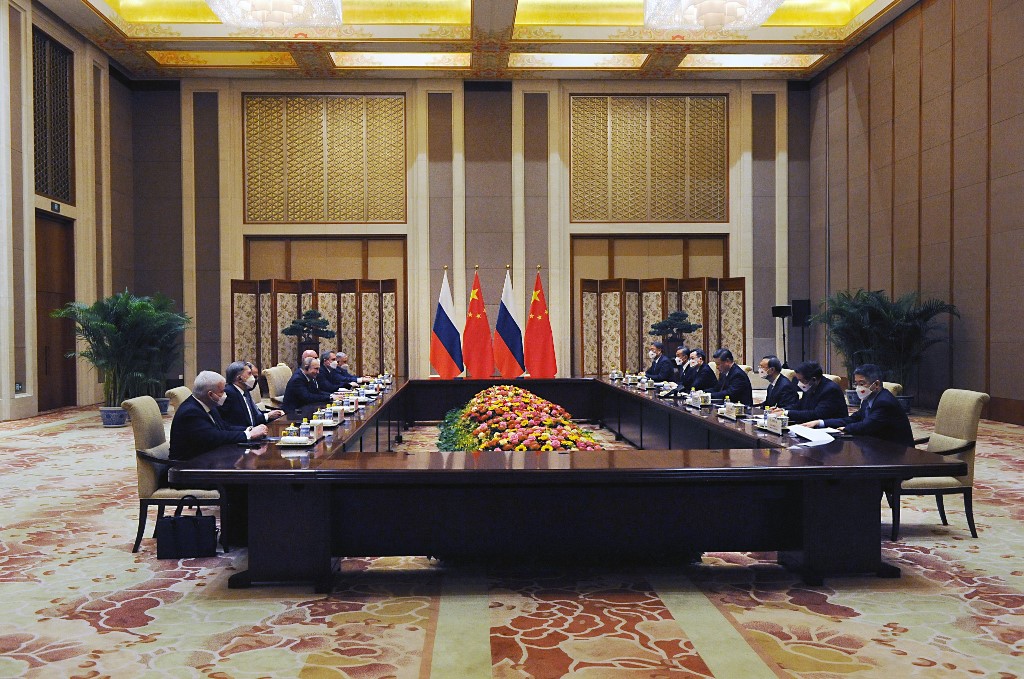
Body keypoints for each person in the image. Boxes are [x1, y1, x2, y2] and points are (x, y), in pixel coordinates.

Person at [170, 371, 268, 461]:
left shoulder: (208, 404)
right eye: (222, 391)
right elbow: (215, 437)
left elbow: (225, 427)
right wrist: (248, 435)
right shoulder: (190, 412)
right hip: (188, 468)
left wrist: (249, 429)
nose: (225, 394)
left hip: (207, 460)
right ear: (210, 395)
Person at [807, 364, 914, 446]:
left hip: (895, 454)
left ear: (876, 384)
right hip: (876, 447)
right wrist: (820, 422)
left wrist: (844, 429)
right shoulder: (869, 399)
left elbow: (866, 425)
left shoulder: (884, 402)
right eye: (856, 384)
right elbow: (853, 419)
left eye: (862, 384)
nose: (858, 388)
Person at [219, 360, 284, 428]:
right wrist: (250, 432)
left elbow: (252, 418)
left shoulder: (244, 391)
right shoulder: (228, 394)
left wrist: (268, 416)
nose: (253, 378)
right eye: (249, 373)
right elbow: (230, 424)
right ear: (239, 378)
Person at [781, 361, 848, 423]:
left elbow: (817, 414)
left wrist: (787, 413)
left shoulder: (830, 390)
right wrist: (782, 410)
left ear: (813, 379)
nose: (799, 383)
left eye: (801, 380)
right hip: (810, 426)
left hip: (832, 429)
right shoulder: (810, 386)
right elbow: (799, 405)